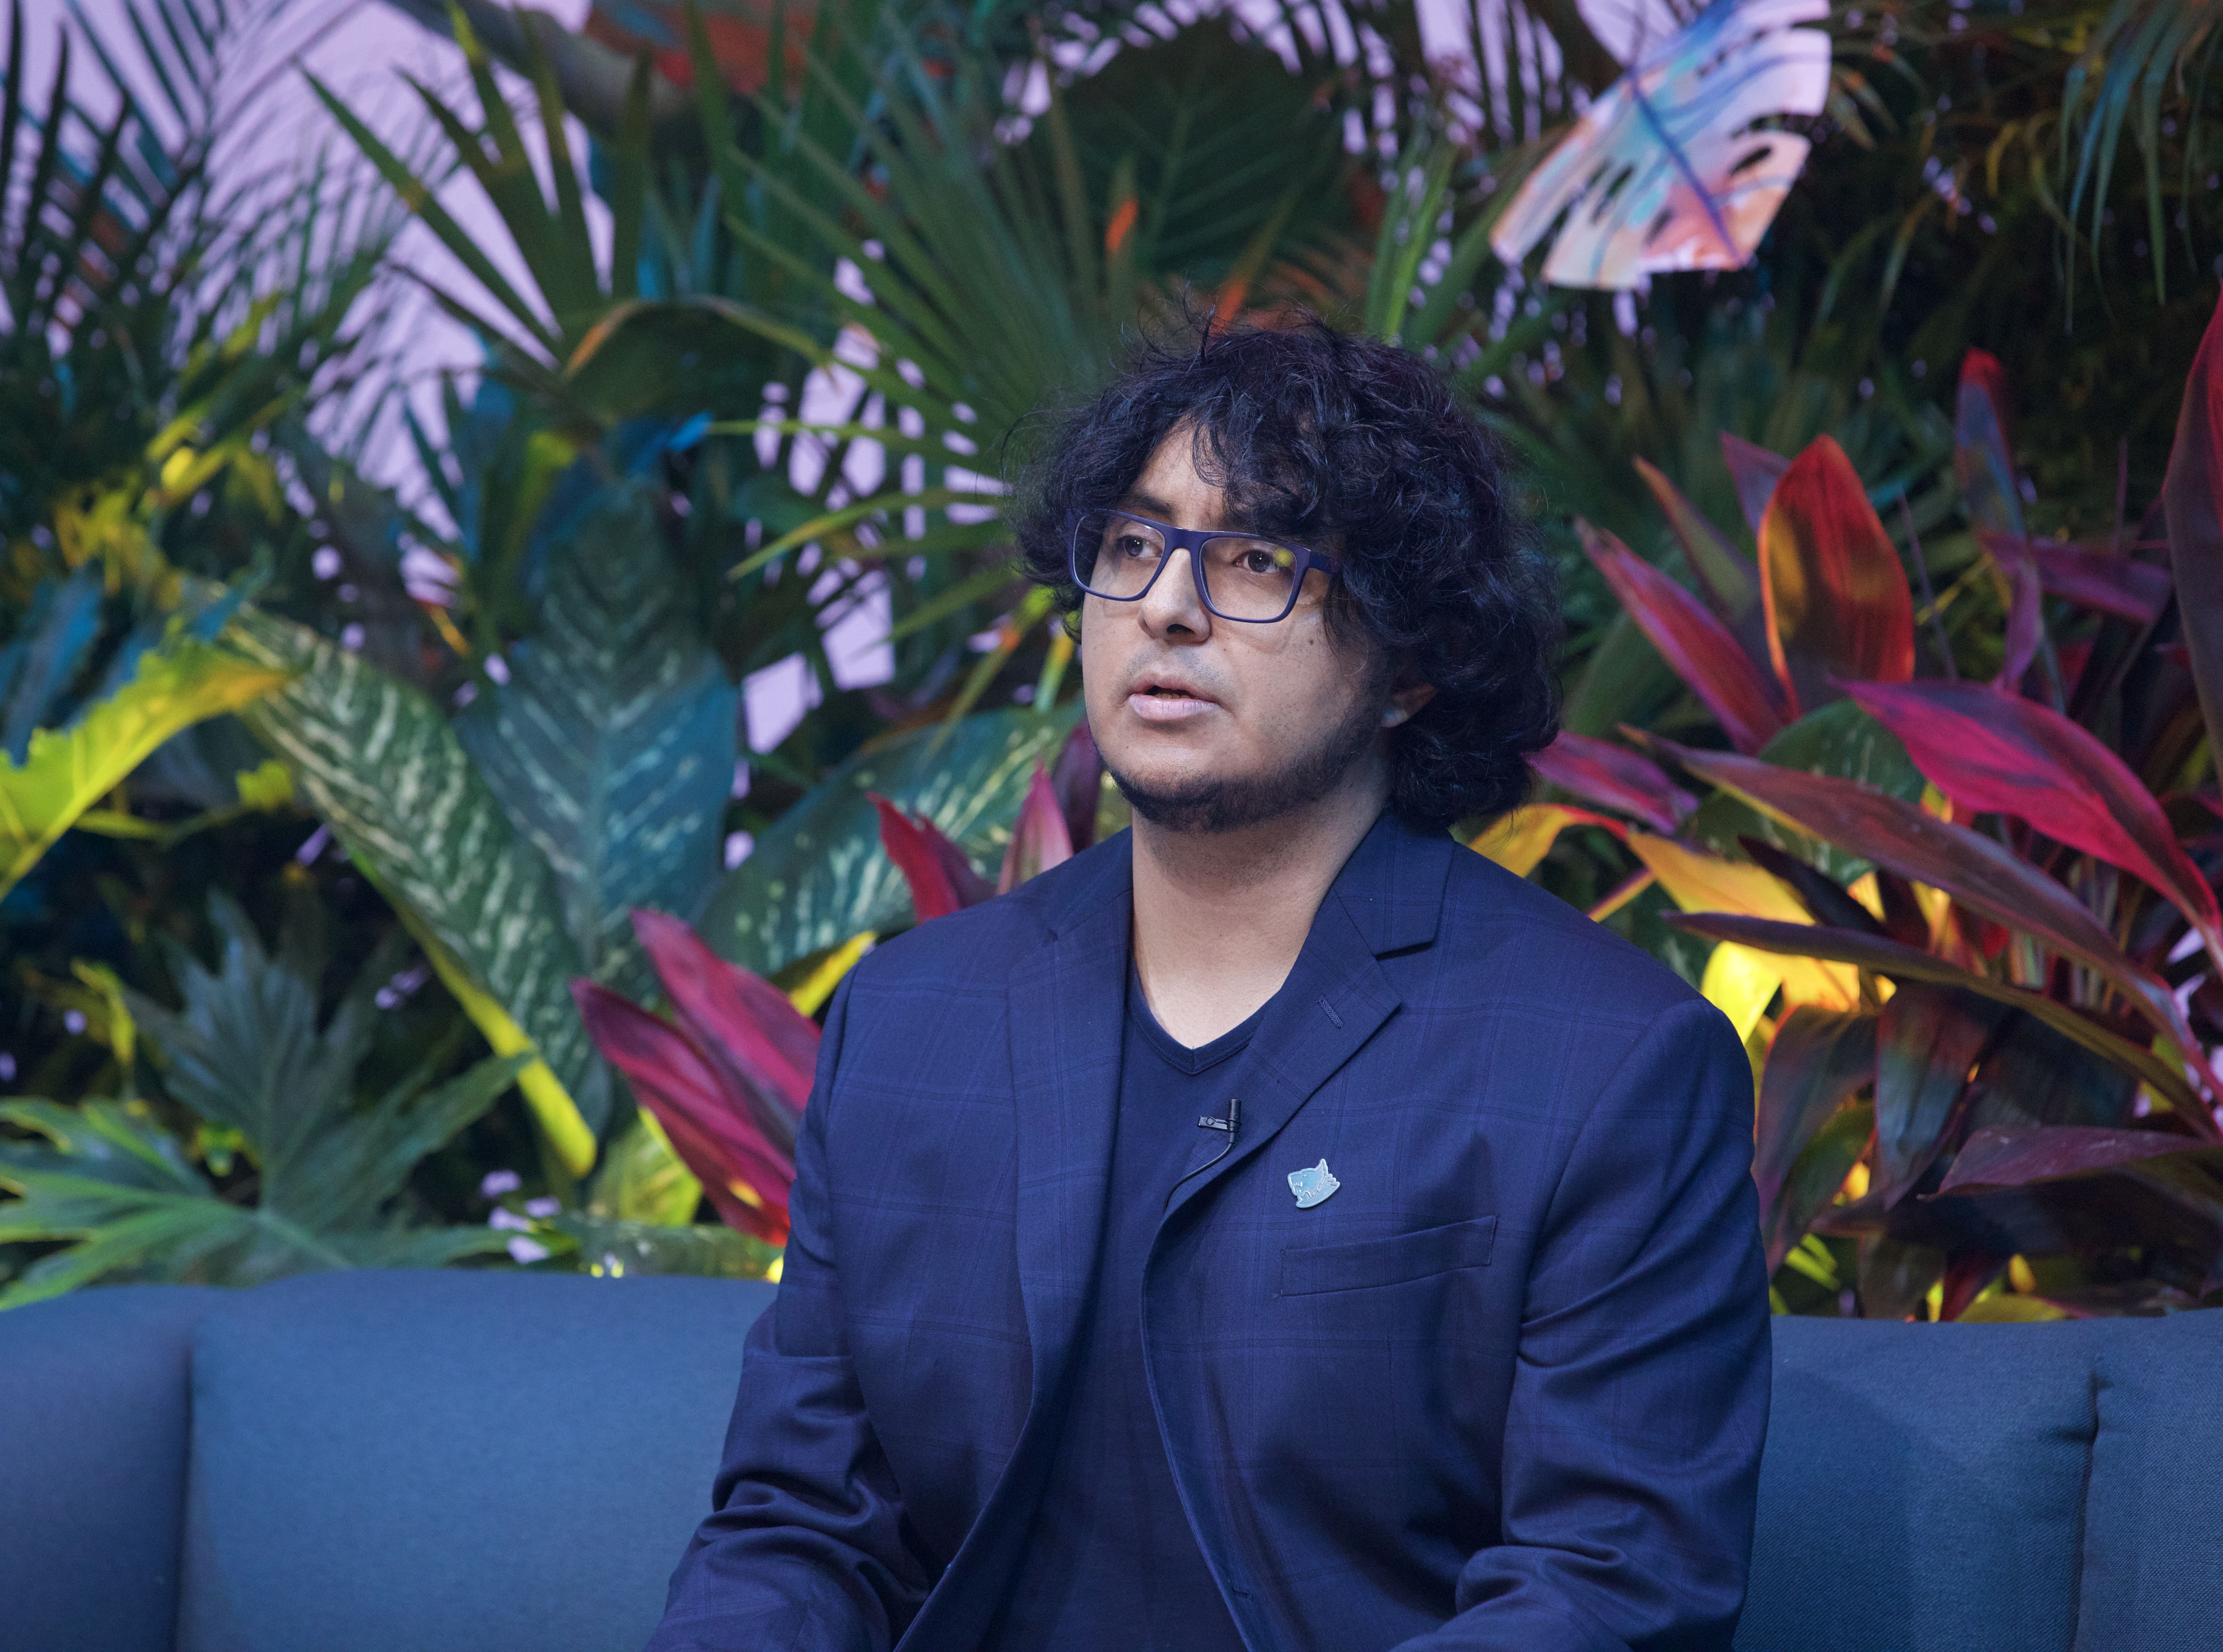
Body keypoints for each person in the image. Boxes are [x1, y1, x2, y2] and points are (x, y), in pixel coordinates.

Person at [646, 320, 1769, 1652]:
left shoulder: (1608, 1063)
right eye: (1133, 545)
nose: (1167, 608)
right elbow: (805, 1527)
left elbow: (1606, 1593)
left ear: (1410, 669)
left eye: (1256, 561)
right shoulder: (912, 1019)